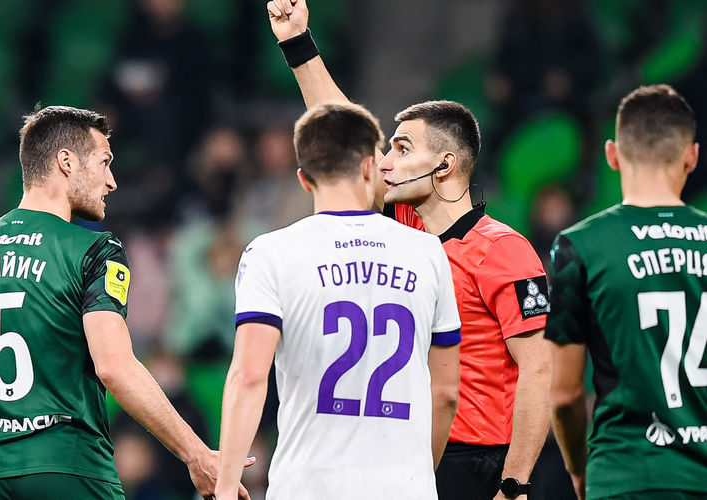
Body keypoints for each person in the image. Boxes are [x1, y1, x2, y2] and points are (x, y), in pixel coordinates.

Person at [0, 106, 252, 500]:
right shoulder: (94, 250)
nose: (112, 181)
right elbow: (114, 367)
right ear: (66, 162)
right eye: (104, 162)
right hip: (72, 471)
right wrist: (196, 455)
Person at [265, 2, 552, 499]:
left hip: (475, 464)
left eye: (401, 149)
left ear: (443, 165)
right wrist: (298, 43)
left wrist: (515, 481)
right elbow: (343, 128)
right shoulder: (407, 232)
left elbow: (538, 369)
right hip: (407, 456)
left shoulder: (505, 250)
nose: (385, 162)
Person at [214, 101, 462, 499]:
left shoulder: (270, 253)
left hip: (308, 486)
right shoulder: (429, 252)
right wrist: (419, 476)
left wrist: (226, 486)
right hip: (403, 486)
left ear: (303, 179)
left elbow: (248, 376)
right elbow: (446, 392)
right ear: (369, 167)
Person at [548, 84, 707, 500]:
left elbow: (565, 395)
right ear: (692, 156)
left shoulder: (578, 247)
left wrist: (580, 470)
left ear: (612, 155)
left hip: (624, 475)